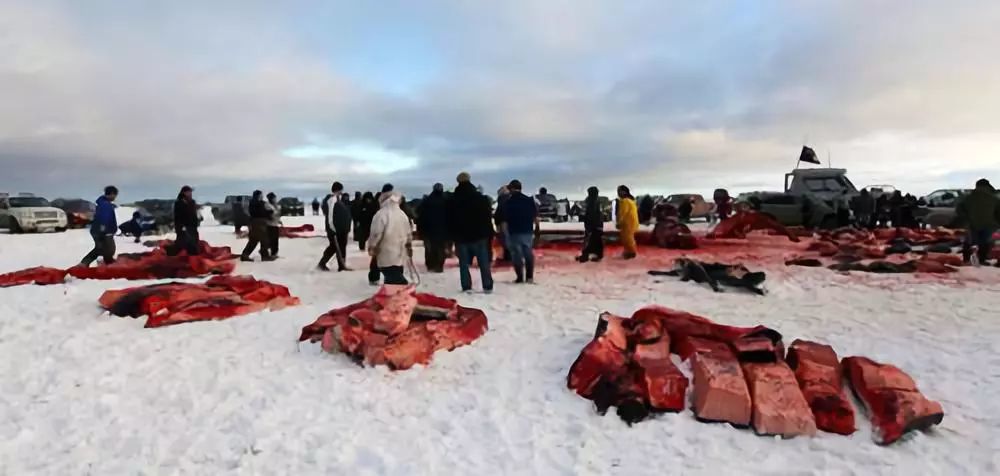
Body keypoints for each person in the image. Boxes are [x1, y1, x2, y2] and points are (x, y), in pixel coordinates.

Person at [447, 172, 495, 293]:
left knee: (463, 263)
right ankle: (487, 285)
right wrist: (489, 233)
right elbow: (487, 217)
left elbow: (449, 219)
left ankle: (466, 286)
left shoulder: (453, 200)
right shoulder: (480, 198)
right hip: (479, 235)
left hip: (461, 236)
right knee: (483, 262)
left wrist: (451, 235)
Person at [367, 191, 414, 285]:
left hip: (386, 253)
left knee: (394, 280)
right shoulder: (402, 214)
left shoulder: (380, 214)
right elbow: (408, 232)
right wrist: (409, 245)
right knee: (394, 276)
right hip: (400, 254)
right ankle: (393, 295)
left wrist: (372, 246)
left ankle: (397, 293)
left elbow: (376, 233)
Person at [501, 180, 539, 283]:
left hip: (514, 231)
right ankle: (529, 277)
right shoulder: (529, 200)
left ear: (512, 189)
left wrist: (505, 233)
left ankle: (520, 277)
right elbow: (536, 218)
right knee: (528, 253)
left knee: (516, 255)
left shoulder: (508, 202)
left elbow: (504, 220)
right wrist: (537, 230)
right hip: (527, 231)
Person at [957, 178, 999, 265]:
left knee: (969, 242)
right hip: (988, 224)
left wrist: (965, 219)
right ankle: (981, 260)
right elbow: (998, 212)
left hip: (971, 223)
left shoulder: (968, 197)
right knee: (984, 243)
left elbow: (959, 209)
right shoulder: (994, 198)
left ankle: (966, 260)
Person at [80, 186, 119, 267]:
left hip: (100, 231)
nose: (115, 197)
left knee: (104, 249)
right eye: (115, 195)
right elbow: (103, 218)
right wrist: (103, 230)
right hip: (103, 231)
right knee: (105, 249)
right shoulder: (105, 205)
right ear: (111, 194)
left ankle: (107, 262)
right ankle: (84, 263)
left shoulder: (104, 203)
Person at [318, 182, 352, 271]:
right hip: (335, 230)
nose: (342, 192)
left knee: (336, 247)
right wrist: (333, 229)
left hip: (340, 229)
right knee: (337, 247)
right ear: (338, 189)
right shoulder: (331, 200)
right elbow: (330, 216)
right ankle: (340, 266)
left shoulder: (337, 199)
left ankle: (337, 265)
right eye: (341, 190)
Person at [417, 183, 449, 273]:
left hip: (428, 229)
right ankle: (439, 265)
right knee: (440, 248)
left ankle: (430, 264)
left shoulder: (427, 201)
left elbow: (420, 215)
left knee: (429, 248)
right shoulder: (446, 201)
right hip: (443, 229)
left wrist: (420, 229)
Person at [240, 190, 274, 262]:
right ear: (258, 195)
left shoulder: (252, 203)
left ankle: (244, 255)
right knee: (264, 240)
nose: (262, 196)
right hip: (259, 223)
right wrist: (269, 213)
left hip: (254, 223)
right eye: (261, 195)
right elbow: (262, 213)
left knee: (253, 240)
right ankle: (265, 256)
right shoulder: (259, 203)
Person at [166, 185, 200, 256]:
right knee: (182, 245)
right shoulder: (178, 203)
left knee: (193, 245)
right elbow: (177, 216)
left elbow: (194, 214)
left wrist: (196, 222)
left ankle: (192, 258)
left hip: (192, 227)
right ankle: (170, 253)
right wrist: (181, 226)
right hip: (183, 227)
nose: (190, 193)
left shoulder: (192, 202)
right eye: (188, 192)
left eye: (190, 192)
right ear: (184, 193)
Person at [578, 186, 605, 262]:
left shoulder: (590, 201)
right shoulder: (598, 201)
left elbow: (587, 213)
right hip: (598, 224)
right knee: (597, 240)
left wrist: (587, 222)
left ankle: (585, 256)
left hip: (592, 224)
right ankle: (598, 255)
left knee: (589, 240)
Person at [616, 185, 639, 259]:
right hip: (632, 222)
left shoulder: (624, 201)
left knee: (627, 238)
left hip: (627, 223)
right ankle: (630, 251)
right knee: (629, 238)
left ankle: (631, 252)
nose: (618, 193)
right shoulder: (631, 200)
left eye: (619, 191)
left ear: (624, 192)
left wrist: (619, 222)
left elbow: (623, 213)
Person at [493, 185, 512, 263]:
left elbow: (499, 212)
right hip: (513, 221)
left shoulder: (502, 199)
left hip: (504, 221)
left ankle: (508, 256)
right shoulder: (512, 197)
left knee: (505, 240)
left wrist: (497, 222)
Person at [265, 192, 282, 258]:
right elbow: (270, 214)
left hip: (275, 224)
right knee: (272, 239)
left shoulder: (276, 205)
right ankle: (271, 253)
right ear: (271, 199)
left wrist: (279, 221)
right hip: (270, 224)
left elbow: (277, 214)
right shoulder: (268, 205)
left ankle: (274, 253)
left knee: (275, 240)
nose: (276, 199)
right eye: (274, 198)